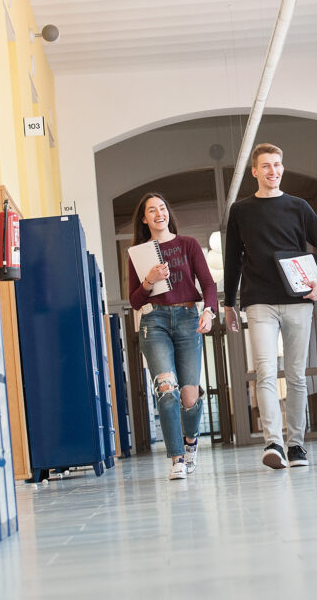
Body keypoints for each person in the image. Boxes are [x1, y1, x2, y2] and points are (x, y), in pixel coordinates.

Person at [223, 143, 317, 470]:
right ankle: (273, 441)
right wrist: (229, 304)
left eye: (277, 165)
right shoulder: (241, 211)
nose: (272, 171)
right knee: (265, 372)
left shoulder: (299, 207)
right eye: (266, 166)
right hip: (259, 301)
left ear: (282, 168)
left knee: (297, 375)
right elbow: (232, 261)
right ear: (255, 171)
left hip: (299, 301)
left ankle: (296, 444)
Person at [127, 192, 218, 480]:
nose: (158, 214)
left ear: (168, 213)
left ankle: (190, 443)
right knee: (167, 391)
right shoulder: (138, 254)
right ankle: (177, 458)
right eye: (151, 210)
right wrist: (149, 280)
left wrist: (209, 312)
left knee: (189, 396)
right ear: (144, 219)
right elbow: (134, 300)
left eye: (162, 208)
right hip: (154, 323)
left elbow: (207, 283)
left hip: (188, 318)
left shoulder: (187, 244)